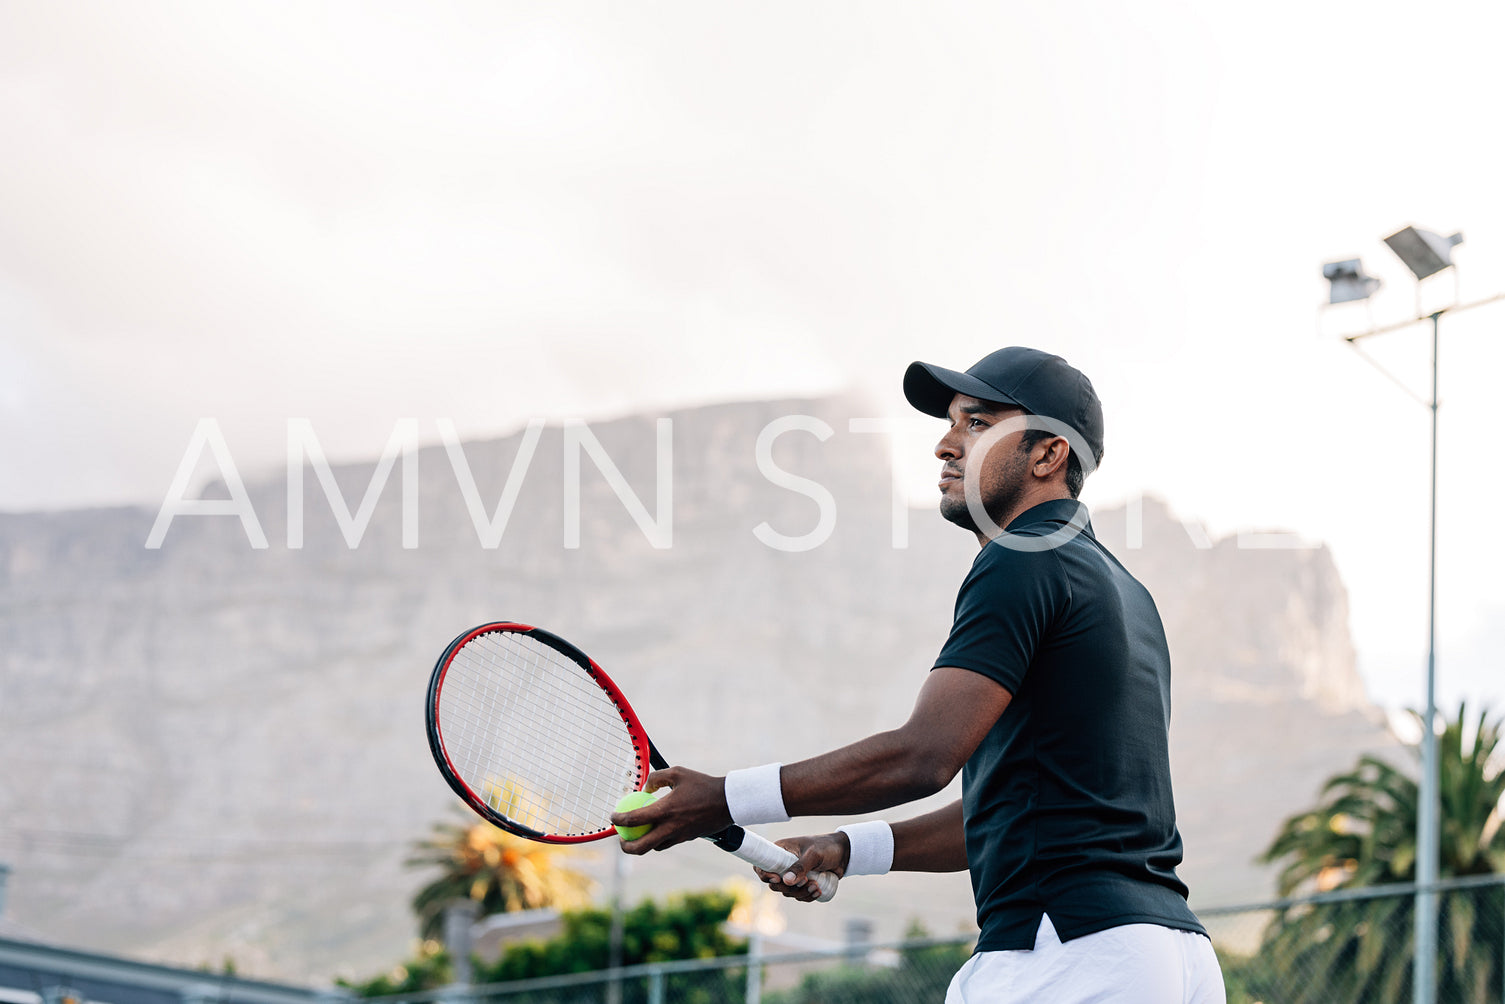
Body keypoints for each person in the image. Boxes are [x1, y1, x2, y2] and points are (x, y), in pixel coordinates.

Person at [612, 346, 1226, 1003]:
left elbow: (924, 755)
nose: (945, 444)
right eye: (952, 423)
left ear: (1048, 455)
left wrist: (724, 798)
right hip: (1167, 957)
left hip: (1067, 951)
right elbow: (1014, 809)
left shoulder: (1020, 558)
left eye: (977, 423)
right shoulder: (1123, 589)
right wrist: (848, 848)